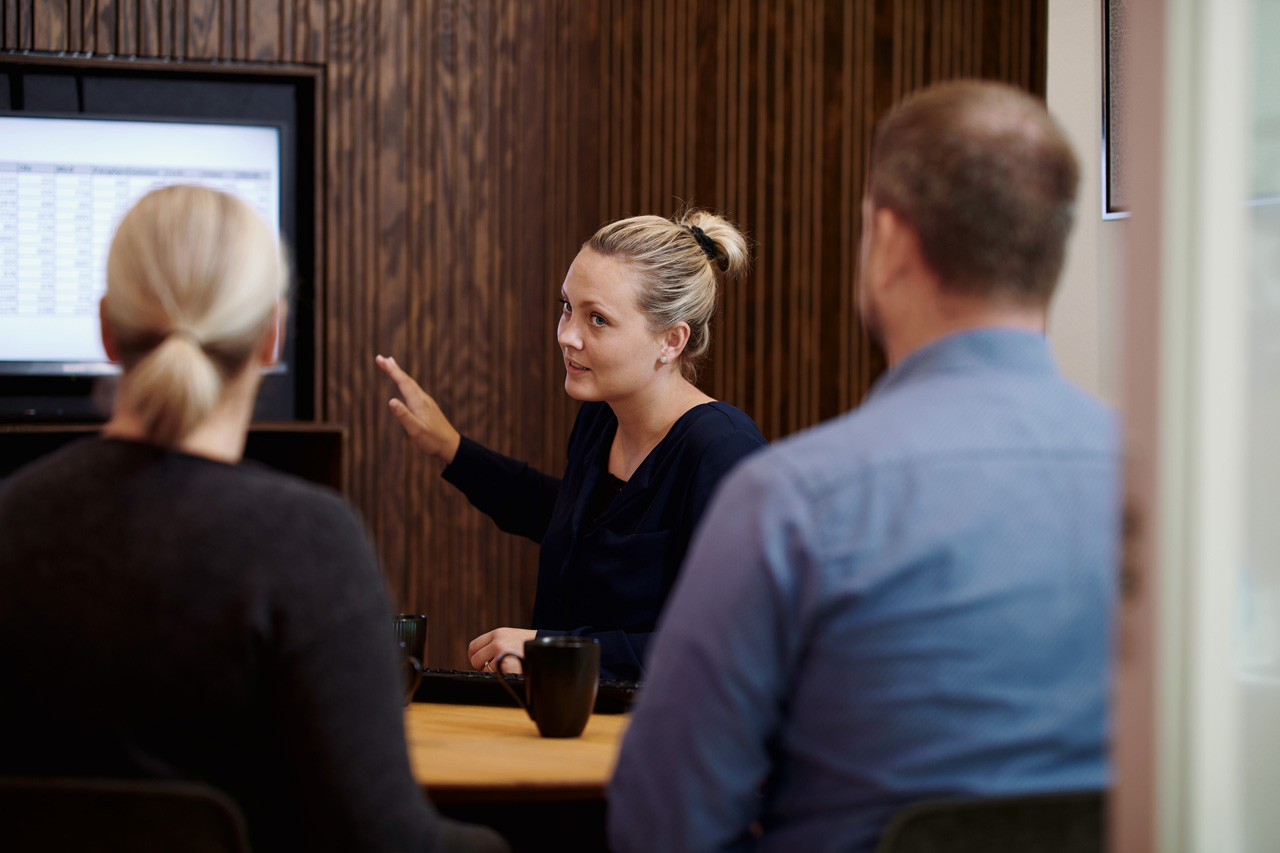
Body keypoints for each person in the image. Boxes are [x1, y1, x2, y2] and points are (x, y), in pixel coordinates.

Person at [608, 80, 1122, 852]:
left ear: (887, 240)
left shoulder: (791, 505)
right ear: (1048, 254)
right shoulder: (1165, 494)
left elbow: (661, 822)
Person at [0, 186, 506, 853]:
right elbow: (387, 841)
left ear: (105, 329)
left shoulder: (11, 519)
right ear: (273, 333)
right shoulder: (309, 544)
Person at [377, 210, 767, 681]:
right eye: (567, 307)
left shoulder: (723, 451)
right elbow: (570, 521)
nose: (566, 335)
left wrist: (548, 649)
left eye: (597, 319)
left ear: (672, 340)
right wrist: (452, 449)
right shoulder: (600, 418)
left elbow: (732, 645)